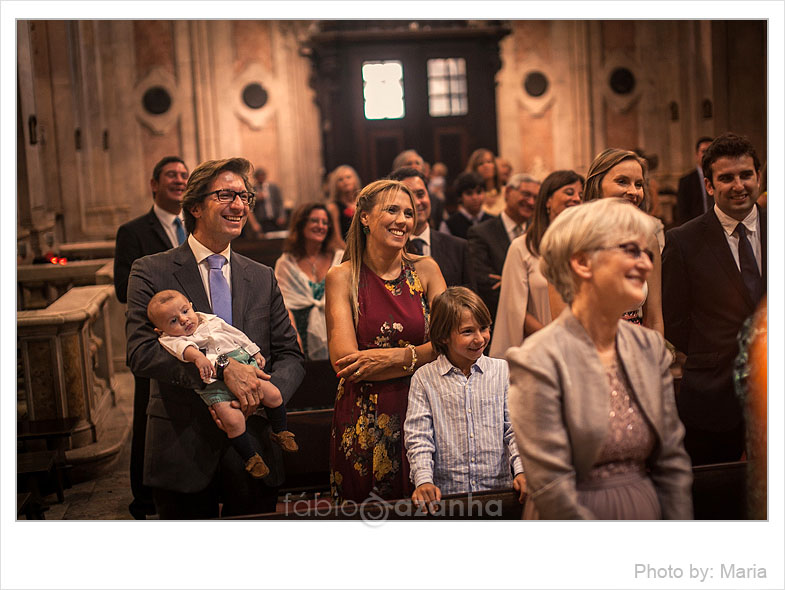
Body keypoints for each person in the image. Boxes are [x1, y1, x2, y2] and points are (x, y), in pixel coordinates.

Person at [125, 157, 304, 519]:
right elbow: (141, 352)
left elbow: (290, 354)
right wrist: (223, 370)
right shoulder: (151, 270)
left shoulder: (261, 276)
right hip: (182, 445)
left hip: (253, 441)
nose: (239, 205)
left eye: (245, 196)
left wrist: (263, 390)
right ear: (194, 205)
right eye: (226, 195)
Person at [507, 198, 693, 519]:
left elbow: (673, 463)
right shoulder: (537, 358)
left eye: (646, 253)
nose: (647, 265)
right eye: (630, 251)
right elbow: (552, 488)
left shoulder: (649, 348)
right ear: (582, 262)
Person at [325, 179, 447, 503]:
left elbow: (450, 342)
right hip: (363, 418)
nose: (403, 220)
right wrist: (422, 353)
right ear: (364, 217)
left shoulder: (427, 270)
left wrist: (390, 359)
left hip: (424, 408)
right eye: (392, 210)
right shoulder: (342, 277)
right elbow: (346, 363)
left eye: (409, 213)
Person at [663, 132, 766, 466]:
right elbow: (676, 321)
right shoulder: (683, 241)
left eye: (746, 175)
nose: (739, 185)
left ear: (759, 177)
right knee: (715, 500)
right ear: (709, 186)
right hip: (713, 396)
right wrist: (713, 355)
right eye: (726, 178)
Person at [147, 289, 298, 479]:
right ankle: (251, 458)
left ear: (191, 306)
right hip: (213, 383)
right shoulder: (171, 338)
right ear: (160, 330)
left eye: (185, 312)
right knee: (233, 421)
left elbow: (237, 335)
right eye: (173, 321)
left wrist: (254, 351)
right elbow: (185, 349)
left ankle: (281, 431)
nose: (183, 320)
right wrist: (198, 359)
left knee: (275, 394)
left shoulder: (211, 320)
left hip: (245, 366)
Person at [404, 287, 526, 513]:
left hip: (499, 494)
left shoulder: (502, 371)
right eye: (468, 331)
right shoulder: (424, 378)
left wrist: (521, 470)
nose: (480, 338)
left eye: (484, 328)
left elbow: (515, 430)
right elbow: (419, 437)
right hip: (449, 497)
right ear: (443, 335)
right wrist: (423, 480)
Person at [113, 155, 189, 519]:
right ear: (154, 185)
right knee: (147, 413)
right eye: (170, 175)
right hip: (155, 337)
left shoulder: (195, 227)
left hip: (193, 334)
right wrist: (167, 304)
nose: (178, 180)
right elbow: (122, 288)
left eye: (183, 175)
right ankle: (143, 499)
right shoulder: (134, 231)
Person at [490, 170, 584, 358]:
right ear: (547, 201)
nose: (576, 199)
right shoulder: (522, 247)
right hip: (540, 349)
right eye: (569, 192)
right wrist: (556, 338)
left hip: (581, 347)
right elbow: (515, 311)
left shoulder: (585, 248)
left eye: (581, 195)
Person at [583, 148, 665, 335]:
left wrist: (655, 361)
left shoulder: (648, 239)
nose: (633, 192)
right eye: (622, 182)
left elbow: (654, 319)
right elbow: (562, 325)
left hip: (637, 351)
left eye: (639, 184)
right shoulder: (572, 239)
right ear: (597, 184)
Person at [467, 173, 540, 323]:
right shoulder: (481, 233)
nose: (531, 202)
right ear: (508, 193)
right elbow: (485, 282)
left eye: (536, 197)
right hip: (499, 319)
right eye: (526, 194)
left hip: (538, 315)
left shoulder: (539, 233)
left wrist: (506, 281)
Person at [274, 202, 344, 360]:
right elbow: (282, 305)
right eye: (314, 221)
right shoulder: (286, 263)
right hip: (300, 334)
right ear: (301, 224)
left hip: (337, 332)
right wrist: (294, 339)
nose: (321, 226)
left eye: (325, 222)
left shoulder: (340, 259)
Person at [388, 166, 475, 290]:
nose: (418, 202)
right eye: (409, 197)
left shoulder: (458, 248)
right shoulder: (389, 251)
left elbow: (471, 303)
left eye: (421, 194)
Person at [440, 171, 493, 239]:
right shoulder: (449, 225)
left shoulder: (493, 222)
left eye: (479, 192)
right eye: (469, 193)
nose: (475, 197)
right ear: (460, 197)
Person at [676, 137, 713, 225]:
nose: (707, 155)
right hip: (696, 227)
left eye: (710, 152)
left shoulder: (721, 178)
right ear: (696, 154)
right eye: (704, 151)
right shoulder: (686, 181)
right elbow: (682, 213)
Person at [325, 164, 362, 248]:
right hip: (345, 250)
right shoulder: (333, 207)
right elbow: (336, 239)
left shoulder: (363, 201)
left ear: (355, 180)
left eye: (348, 177)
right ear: (335, 184)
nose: (345, 181)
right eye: (340, 179)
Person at [245, 167, 286, 236]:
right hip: (261, 220)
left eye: (262, 175)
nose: (261, 177)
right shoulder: (252, 189)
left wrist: (282, 215)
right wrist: (257, 198)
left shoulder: (273, 187)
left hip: (274, 219)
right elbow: (250, 206)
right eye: (259, 176)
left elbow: (280, 202)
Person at [465, 148, 503, 216]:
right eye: (480, 163)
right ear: (474, 168)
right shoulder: (471, 197)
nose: (486, 166)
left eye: (489, 162)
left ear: (494, 166)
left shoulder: (506, 192)